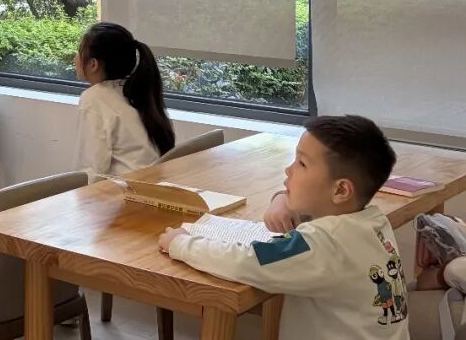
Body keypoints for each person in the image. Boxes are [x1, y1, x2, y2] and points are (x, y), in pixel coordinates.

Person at [158, 115, 409, 338]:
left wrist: (180, 243)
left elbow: (247, 262)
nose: (288, 170)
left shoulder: (322, 243)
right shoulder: (374, 222)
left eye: (302, 164)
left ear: (341, 190)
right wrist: (282, 199)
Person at [72, 22, 175, 180]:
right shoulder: (137, 90)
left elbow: (90, 172)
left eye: (79, 52)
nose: (75, 58)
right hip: (153, 185)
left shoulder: (94, 98)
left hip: (127, 191)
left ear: (93, 64)